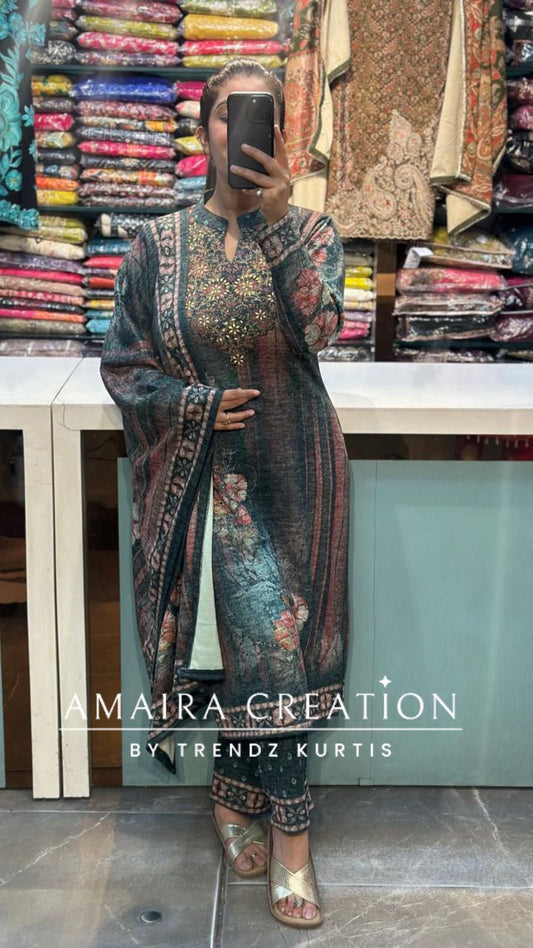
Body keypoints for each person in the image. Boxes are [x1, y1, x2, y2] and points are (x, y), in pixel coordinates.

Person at [99, 58, 350, 931]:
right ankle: (287, 840)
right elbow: (124, 365)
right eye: (227, 116)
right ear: (203, 129)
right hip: (204, 480)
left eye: (263, 118)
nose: (241, 131)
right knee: (257, 657)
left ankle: (241, 800)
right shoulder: (156, 246)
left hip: (296, 477)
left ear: (280, 135)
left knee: (277, 656)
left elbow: (323, 331)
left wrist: (279, 224)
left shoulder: (312, 231)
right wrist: (195, 404)